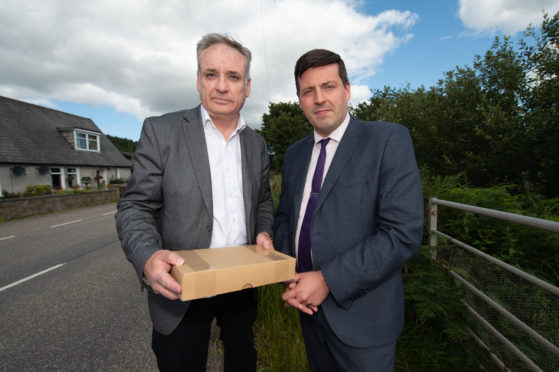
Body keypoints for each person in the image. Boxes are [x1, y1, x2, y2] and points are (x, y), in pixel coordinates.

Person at [116, 33, 274, 372]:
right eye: (211, 74)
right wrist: (147, 256)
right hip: (181, 287)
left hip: (241, 286)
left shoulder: (257, 144)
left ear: (247, 86)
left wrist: (264, 231)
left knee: (242, 362)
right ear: (198, 81)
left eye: (232, 77)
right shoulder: (161, 131)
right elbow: (135, 206)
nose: (221, 86)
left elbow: (263, 200)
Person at [274, 49, 424, 371]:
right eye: (308, 91)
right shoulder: (294, 155)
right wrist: (289, 277)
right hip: (309, 313)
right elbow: (285, 219)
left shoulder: (387, 140)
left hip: (364, 321)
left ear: (347, 90)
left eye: (328, 86)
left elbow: (402, 233)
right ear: (300, 99)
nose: (319, 99)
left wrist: (328, 280)